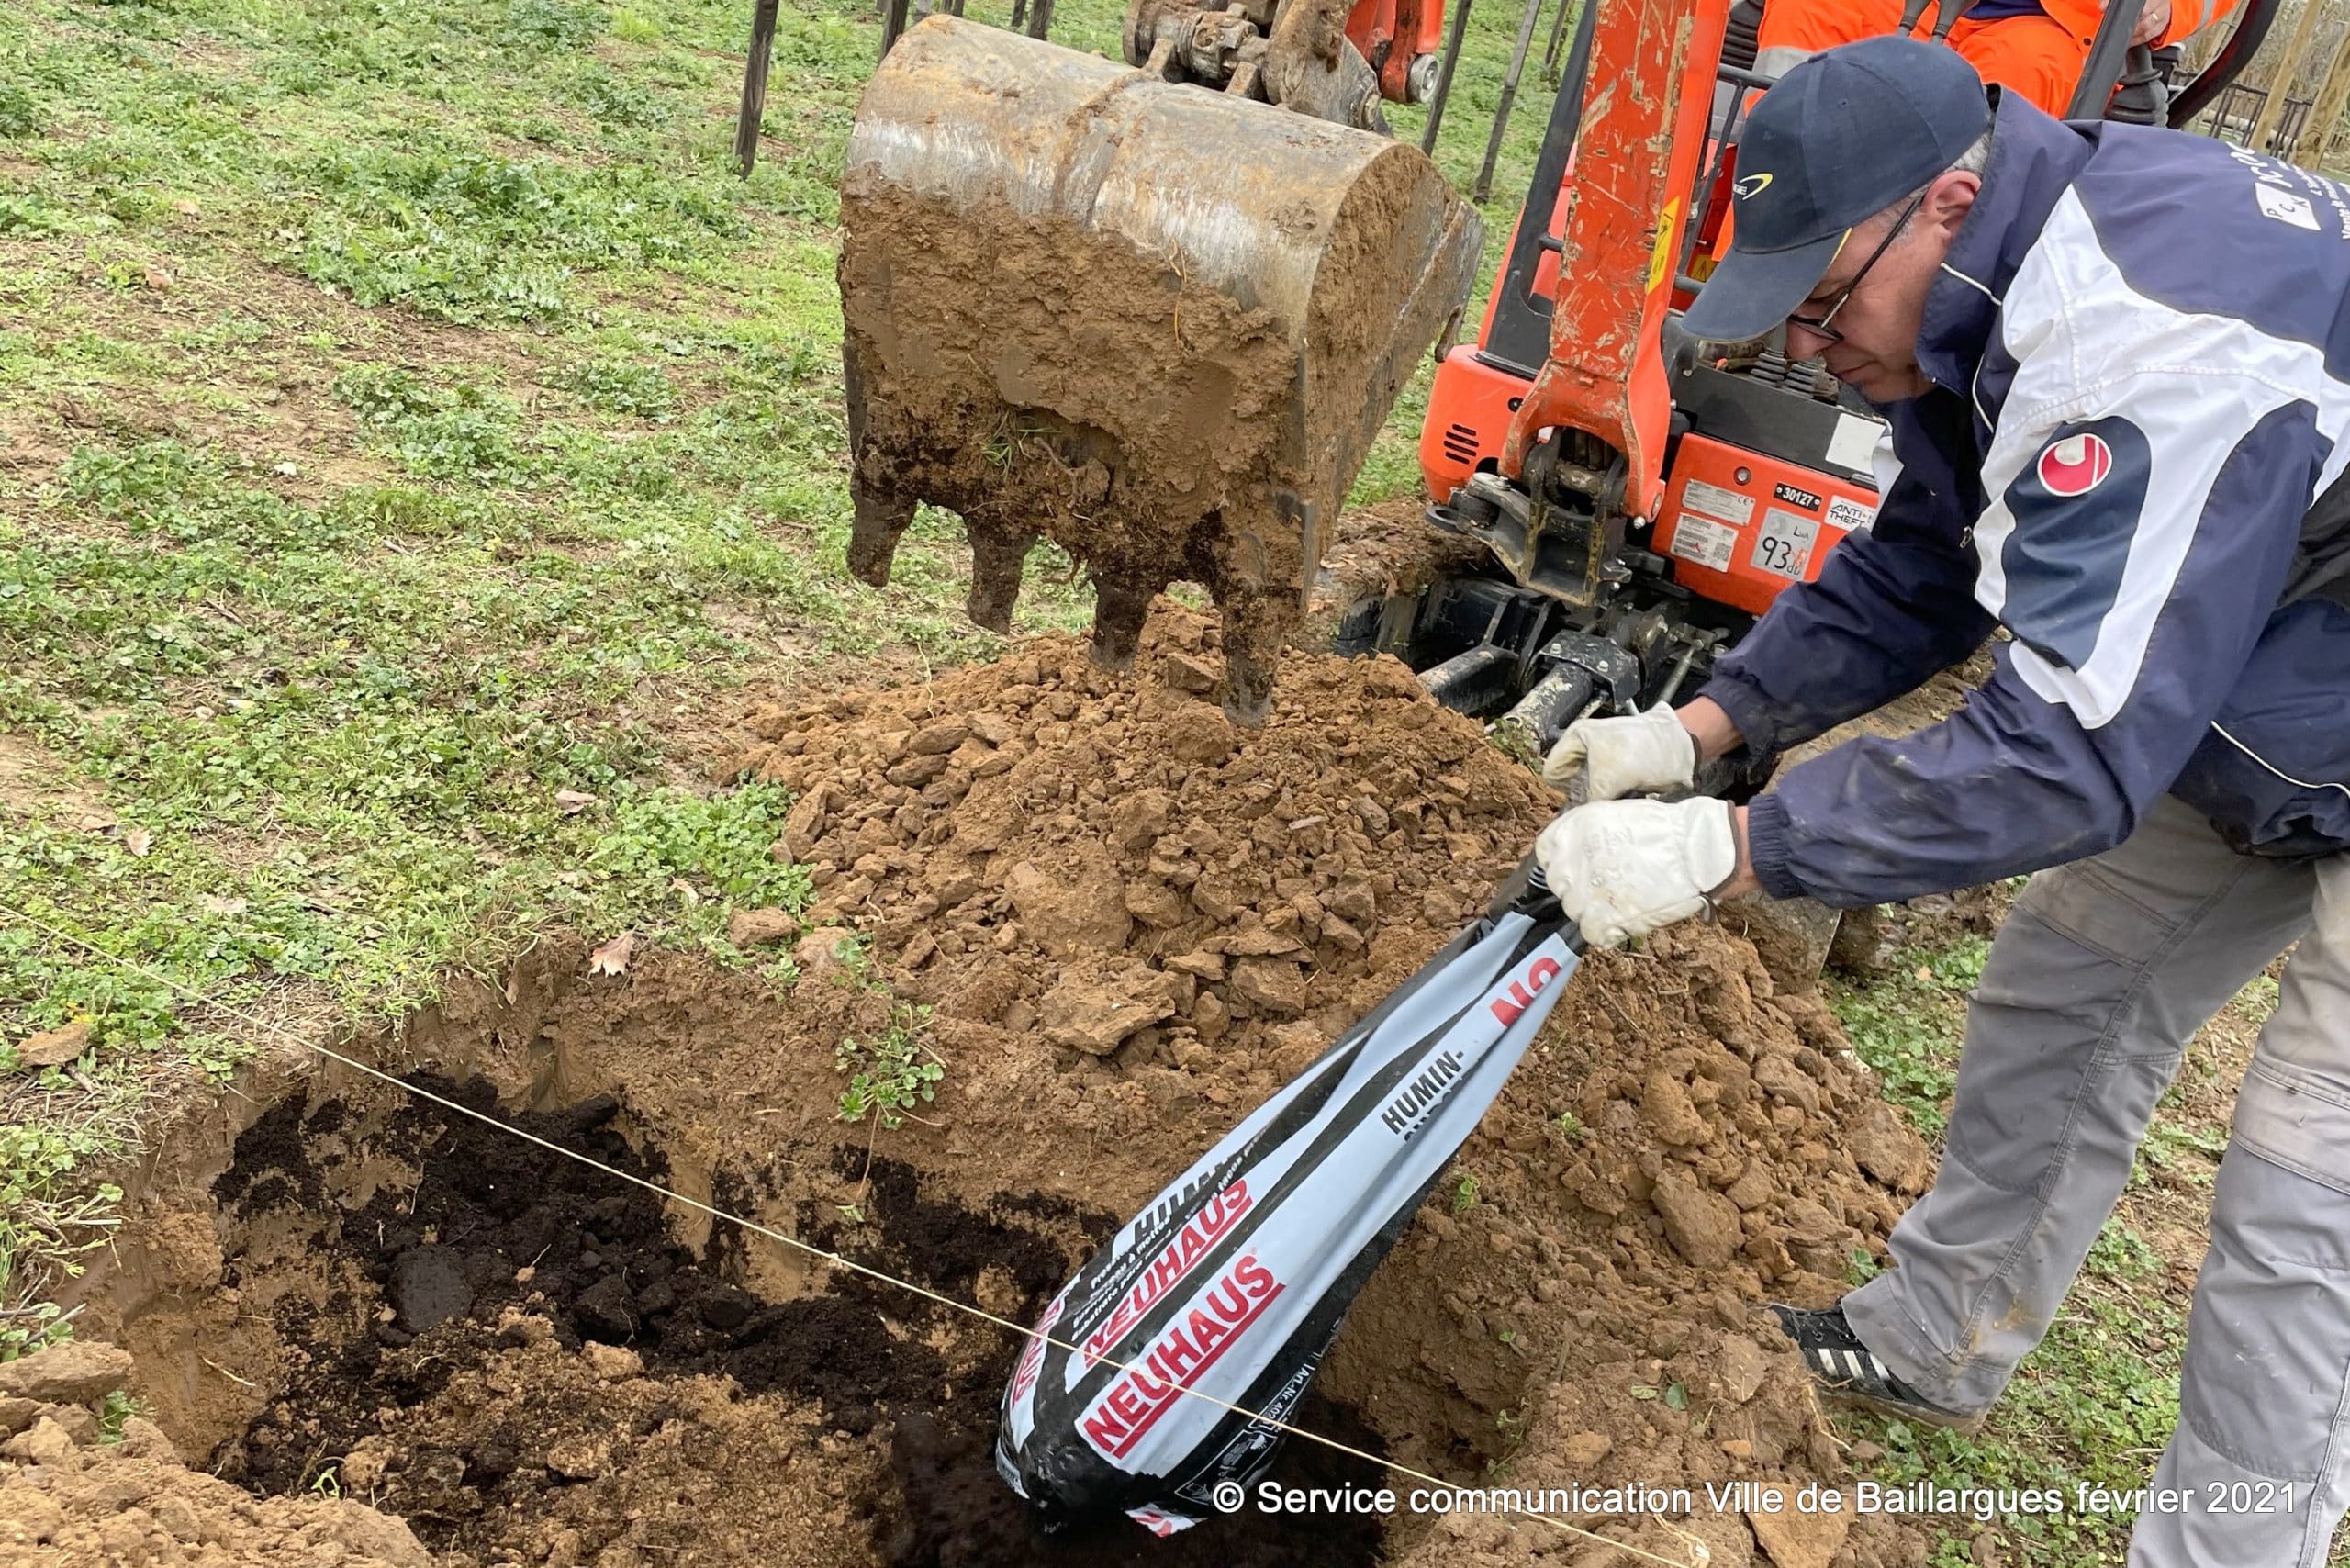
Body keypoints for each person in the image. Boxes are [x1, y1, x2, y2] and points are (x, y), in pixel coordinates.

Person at [1533, 35, 2350, 1568]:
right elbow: (1927, 562)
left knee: (2306, 1187)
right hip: (2276, 677)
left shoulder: (2139, 336)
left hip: (2271, 688)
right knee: (2067, 988)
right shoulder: (1998, 296)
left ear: (1947, 204)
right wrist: (1700, 731)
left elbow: (2064, 757)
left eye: (1824, 302)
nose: (1811, 346)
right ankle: (1936, 1338)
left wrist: (1730, 849)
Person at [1753, 0, 2233, 118]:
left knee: (2019, 81)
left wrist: (2170, 8)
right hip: (1911, 6)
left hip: (2054, 24)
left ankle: (1926, 315)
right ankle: (1751, 272)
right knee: (1808, 13)